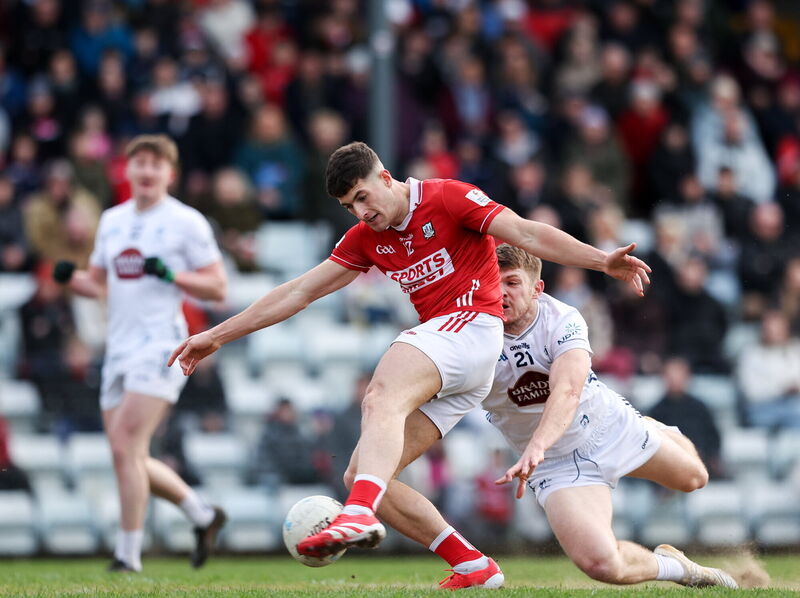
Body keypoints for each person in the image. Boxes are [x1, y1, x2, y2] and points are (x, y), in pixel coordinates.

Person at [169, 141, 651, 581]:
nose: (361, 212)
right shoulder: (365, 238)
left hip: (473, 327)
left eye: (362, 197)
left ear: (385, 178)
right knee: (362, 475)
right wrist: (215, 335)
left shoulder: (447, 197)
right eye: (348, 207)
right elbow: (299, 292)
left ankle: (357, 514)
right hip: (458, 366)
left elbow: (525, 232)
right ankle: (473, 563)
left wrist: (599, 260)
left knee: (380, 395)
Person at [370, 245, 738, 589]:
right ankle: (677, 567)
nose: (501, 293)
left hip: (608, 428)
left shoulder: (562, 317)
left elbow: (567, 390)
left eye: (513, 283)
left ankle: (649, 426)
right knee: (601, 565)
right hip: (556, 465)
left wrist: (536, 446)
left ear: (537, 288)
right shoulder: (470, 337)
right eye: (493, 283)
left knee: (695, 478)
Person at [52, 134, 228, 573]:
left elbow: (219, 287)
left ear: (170, 174)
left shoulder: (186, 222)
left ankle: (127, 556)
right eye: (140, 163)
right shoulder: (112, 220)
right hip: (118, 349)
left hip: (161, 347)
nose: (147, 171)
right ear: (127, 171)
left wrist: (173, 275)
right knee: (126, 453)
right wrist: (68, 277)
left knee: (126, 445)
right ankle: (202, 514)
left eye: (156, 164)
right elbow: (99, 283)